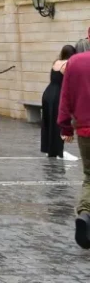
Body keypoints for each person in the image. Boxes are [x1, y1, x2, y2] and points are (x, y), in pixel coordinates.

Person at [58, 41, 90, 249]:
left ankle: (85, 212)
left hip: (85, 130)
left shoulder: (75, 62)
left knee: (89, 174)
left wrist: (65, 127)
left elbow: (66, 97)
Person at [43, 45, 76, 158]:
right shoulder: (67, 64)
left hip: (47, 93)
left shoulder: (56, 62)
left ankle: (49, 149)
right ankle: (58, 151)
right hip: (57, 95)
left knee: (49, 122)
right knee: (58, 123)